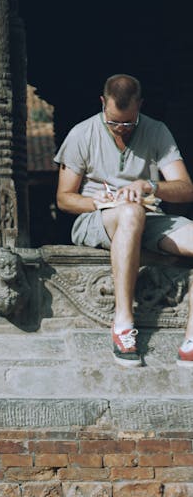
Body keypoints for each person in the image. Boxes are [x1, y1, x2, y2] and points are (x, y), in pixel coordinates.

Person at [54, 73, 193, 367]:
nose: (121, 129)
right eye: (114, 122)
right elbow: (64, 199)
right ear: (103, 103)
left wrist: (150, 186)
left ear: (140, 106)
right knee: (130, 212)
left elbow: (185, 189)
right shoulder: (83, 133)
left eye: (129, 123)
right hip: (98, 218)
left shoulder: (157, 132)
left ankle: (191, 341)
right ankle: (123, 322)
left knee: (137, 211)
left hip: (150, 215)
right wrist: (98, 201)